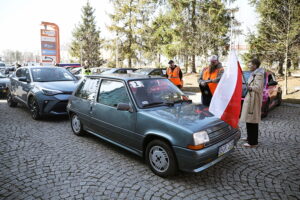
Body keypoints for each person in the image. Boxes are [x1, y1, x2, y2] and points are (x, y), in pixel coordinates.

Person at [240, 58, 264, 148]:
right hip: (250, 98)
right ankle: (249, 137)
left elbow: (258, 87)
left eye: (250, 65)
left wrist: (250, 87)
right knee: (249, 119)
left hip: (254, 100)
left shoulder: (259, 75)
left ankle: (253, 142)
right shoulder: (254, 73)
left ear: (255, 65)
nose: (249, 66)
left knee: (252, 121)